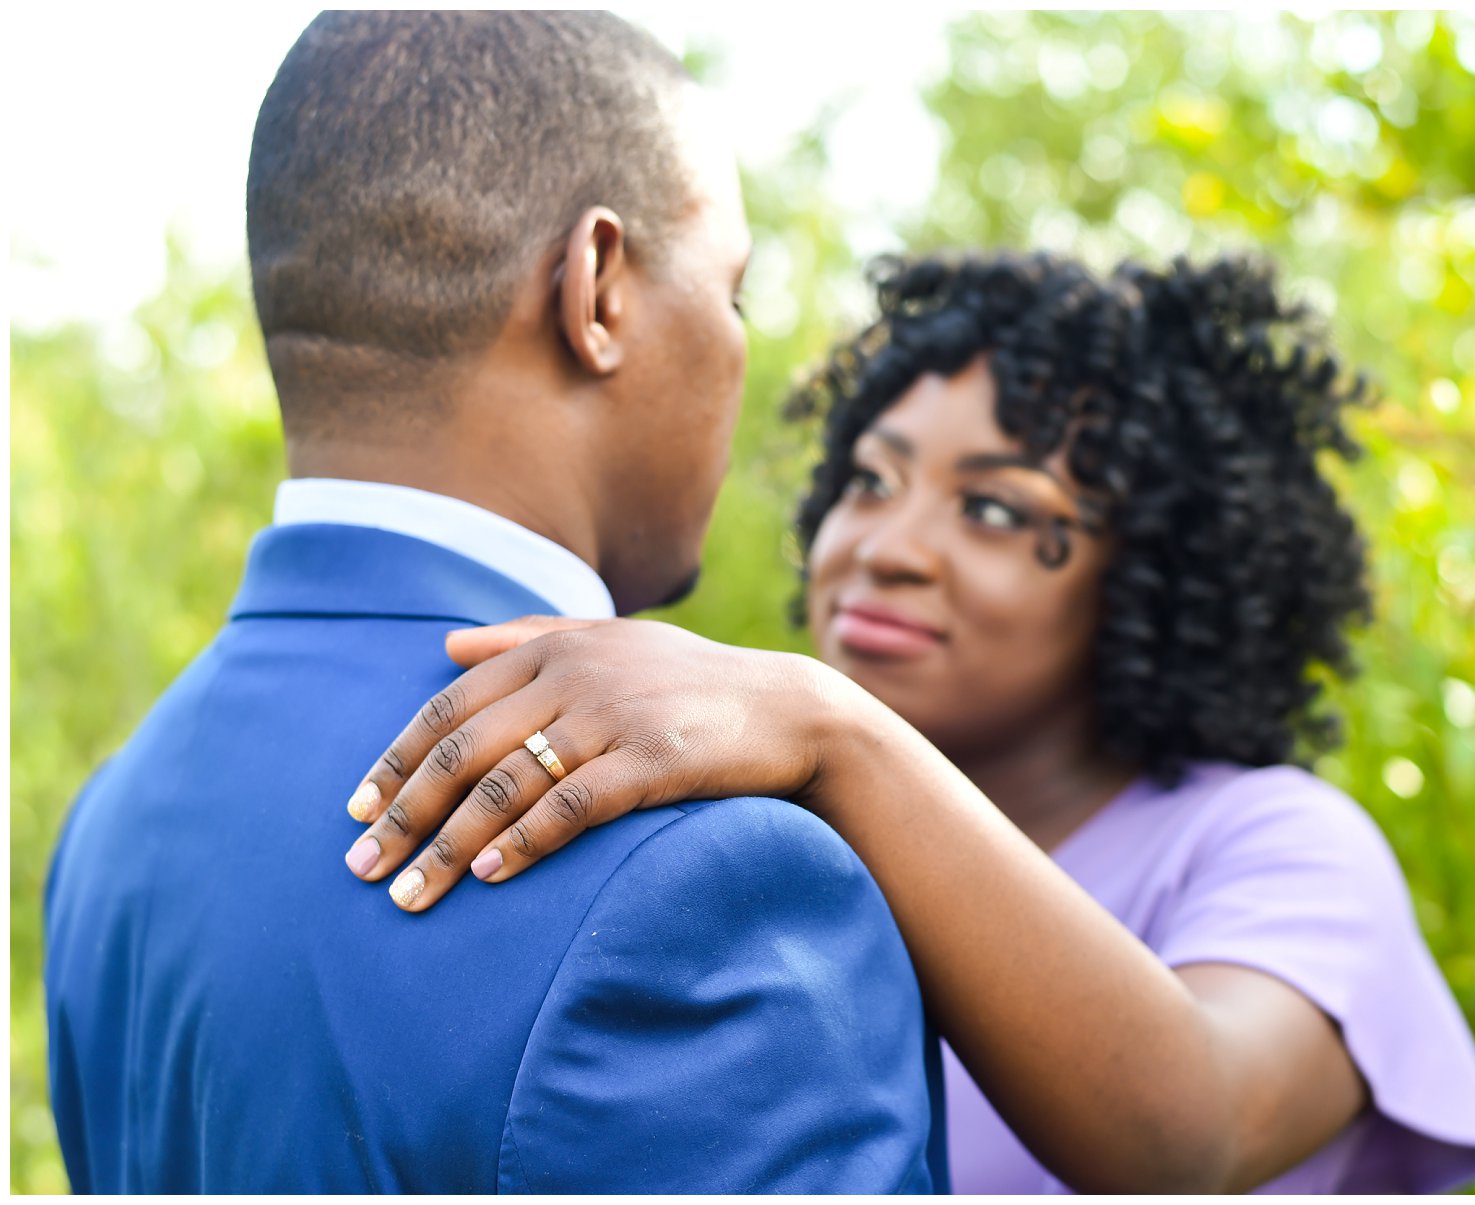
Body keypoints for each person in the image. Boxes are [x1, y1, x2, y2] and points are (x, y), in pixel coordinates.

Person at [343, 251, 1475, 1193]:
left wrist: (830, 722)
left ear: (1159, 571)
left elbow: (1188, 1137)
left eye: (998, 508)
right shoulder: (785, 844)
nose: (887, 547)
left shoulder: (1279, 843)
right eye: (871, 477)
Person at [41, 12, 943, 1194]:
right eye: (730, 291)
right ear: (599, 289)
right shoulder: (702, 875)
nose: (737, 347)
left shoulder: (115, 817)